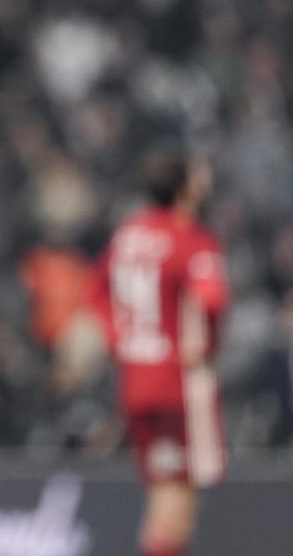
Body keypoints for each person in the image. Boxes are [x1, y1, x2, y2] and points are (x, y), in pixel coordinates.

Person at [92, 148, 229, 556]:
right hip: (178, 383)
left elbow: (97, 292)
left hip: (135, 378)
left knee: (162, 489)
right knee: (179, 490)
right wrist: (206, 344)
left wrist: (122, 341)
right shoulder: (191, 239)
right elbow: (212, 300)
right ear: (185, 187)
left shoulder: (129, 234)